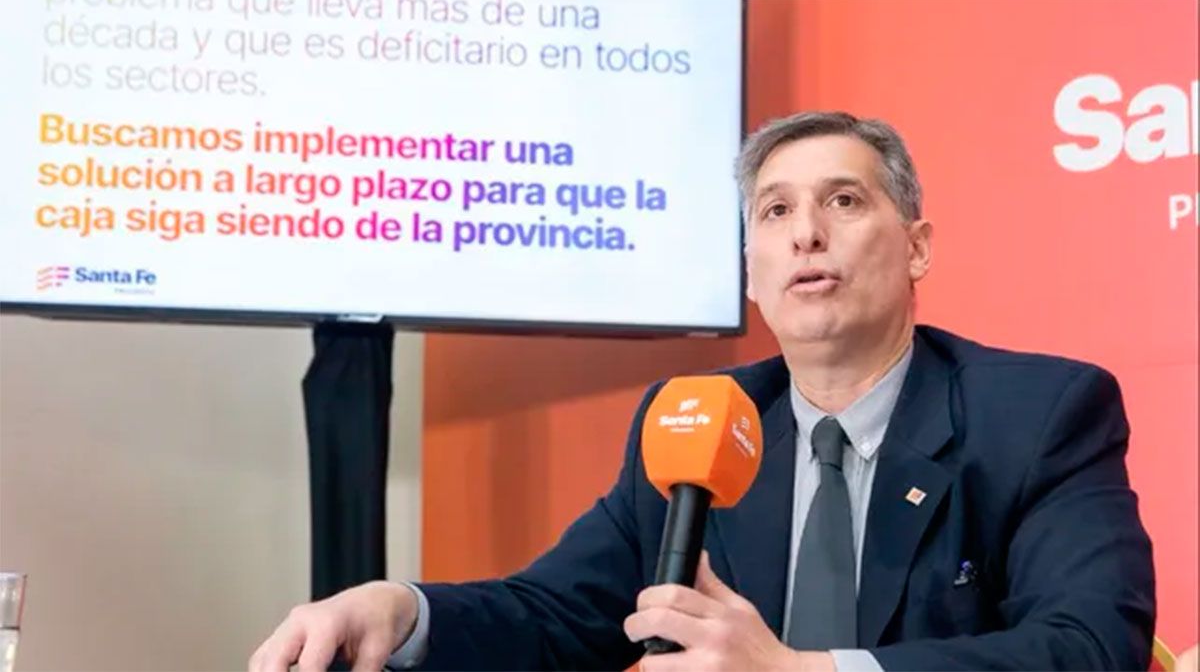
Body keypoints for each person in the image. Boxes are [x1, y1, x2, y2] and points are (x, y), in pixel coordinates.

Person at [249, 111, 1156, 671]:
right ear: (752, 272)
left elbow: (1088, 645)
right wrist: (402, 609)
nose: (806, 233)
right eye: (775, 210)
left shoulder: (1039, 415)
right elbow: (559, 611)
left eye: (843, 201)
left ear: (917, 247)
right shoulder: (695, 422)